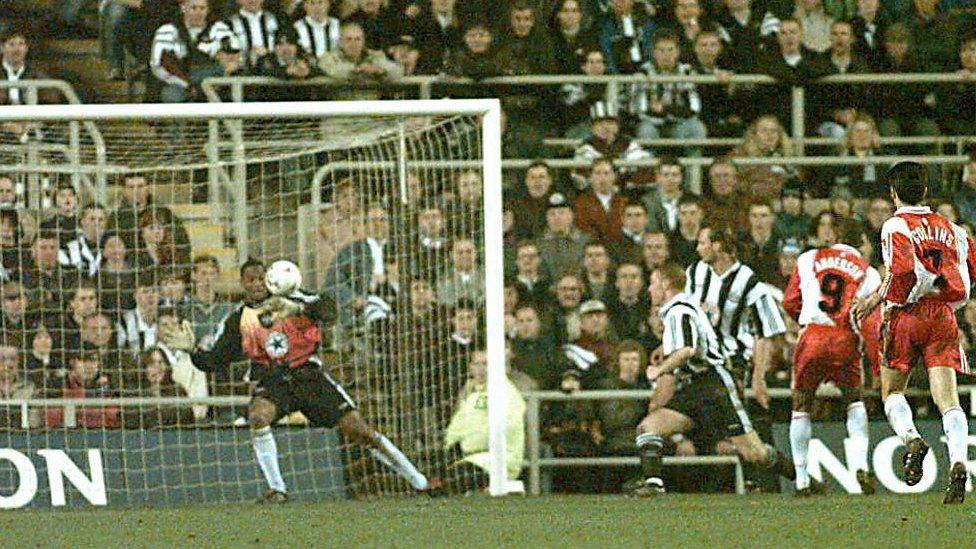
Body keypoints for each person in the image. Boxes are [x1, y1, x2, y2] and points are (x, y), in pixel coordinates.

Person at [161, 258, 437, 502]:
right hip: (273, 380)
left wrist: (295, 308)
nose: (257, 284)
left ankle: (420, 482)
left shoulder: (294, 298)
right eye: (250, 280)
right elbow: (215, 361)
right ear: (243, 284)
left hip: (309, 376)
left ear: (270, 278)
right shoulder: (239, 321)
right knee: (258, 416)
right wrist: (193, 349)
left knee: (360, 431)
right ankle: (277, 489)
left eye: (261, 278)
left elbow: (328, 310)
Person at [852, 162, 974, 504]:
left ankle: (912, 440)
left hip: (906, 314)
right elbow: (973, 268)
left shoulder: (895, 225)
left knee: (891, 391)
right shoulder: (952, 228)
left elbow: (901, 268)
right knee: (947, 398)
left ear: (893, 193)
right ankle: (959, 462)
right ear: (925, 192)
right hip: (942, 314)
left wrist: (877, 297)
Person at [633, 263, 794, 495]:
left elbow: (687, 350)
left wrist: (658, 371)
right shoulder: (678, 309)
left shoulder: (679, 310)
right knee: (648, 428)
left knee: (755, 453)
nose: (649, 289)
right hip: (693, 386)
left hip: (714, 383)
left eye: (653, 282)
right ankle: (653, 485)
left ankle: (801, 479)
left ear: (666, 284)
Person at [782, 239, 881, 496]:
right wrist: (877, 365)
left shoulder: (809, 258)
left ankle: (802, 479)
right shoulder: (867, 272)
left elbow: (790, 301)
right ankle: (860, 465)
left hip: (813, 335)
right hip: (846, 338)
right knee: (854, 401)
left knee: (801, 404)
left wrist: (805, 320)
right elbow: (872, 323)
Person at [685, 226, 787, 405]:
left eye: (702, 243)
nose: (697, 248)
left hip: (731, 360)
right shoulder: (694, 273)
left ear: (717, 246)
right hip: (694, 359)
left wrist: (758, 378)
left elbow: (765, 332)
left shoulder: (750, 283)